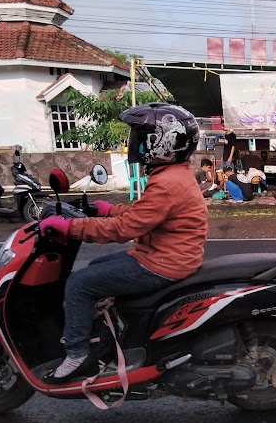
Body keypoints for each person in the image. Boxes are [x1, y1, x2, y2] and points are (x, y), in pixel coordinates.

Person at [38, 103, 208, 383]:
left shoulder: (166, 183)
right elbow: (145, 215)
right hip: (162, 255)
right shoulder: (173, 175)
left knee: (79, 284)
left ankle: (79, 354)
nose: (135, 143)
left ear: (161, 142)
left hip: (162, 263)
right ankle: (109, 332)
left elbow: (126, 229)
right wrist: (109, 210)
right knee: (96, 266)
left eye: (141, 137)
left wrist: (71, 227)